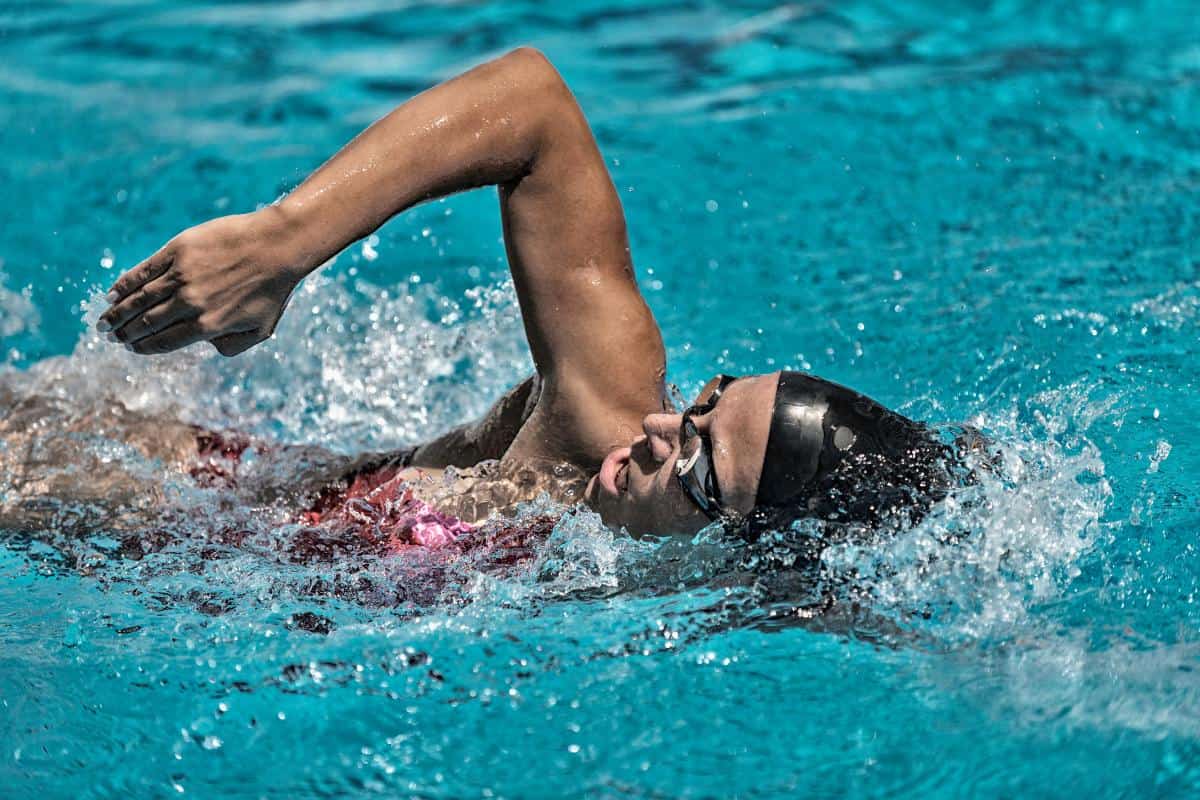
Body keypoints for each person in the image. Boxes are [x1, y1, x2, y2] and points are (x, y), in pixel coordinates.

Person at [94, 48, 957, 543]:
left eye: (697, 466)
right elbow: (532, 105)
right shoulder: (602, 420)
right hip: (154, 499)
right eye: (703, 405)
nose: (661, 433)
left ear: (739, 548)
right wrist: (281, 242)